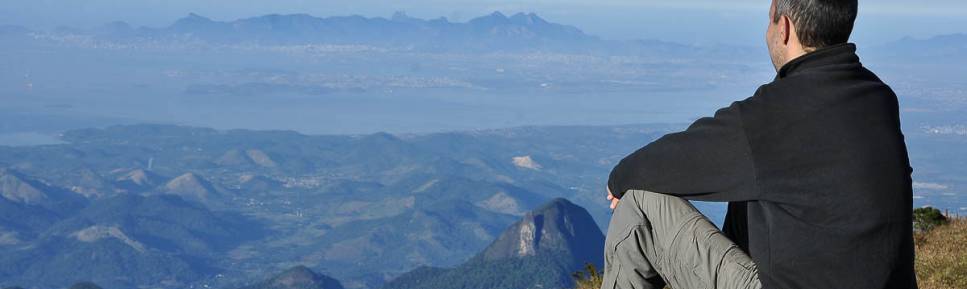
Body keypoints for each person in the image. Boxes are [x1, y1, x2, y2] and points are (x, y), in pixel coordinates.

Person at [601, 1, 918, 289]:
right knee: (753, 190)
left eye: (770, 19)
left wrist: (619, 180)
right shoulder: (878, 98)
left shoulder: (774, 113)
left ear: (785, 28)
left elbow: (665, 163)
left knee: (638, 205)